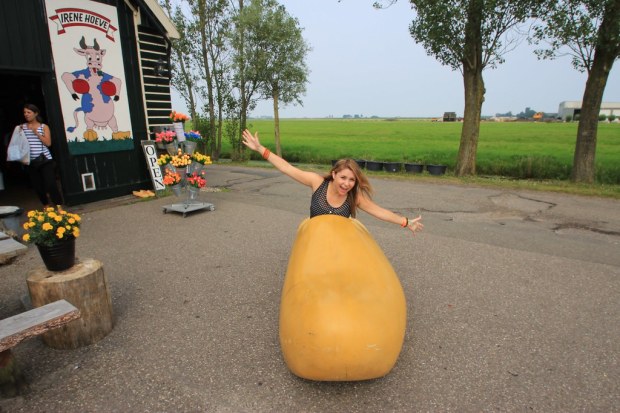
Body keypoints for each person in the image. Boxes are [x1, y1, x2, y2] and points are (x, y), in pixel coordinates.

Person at [241, 129, 423, 233]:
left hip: (339, 243)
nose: (347, 184)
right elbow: (287, 168)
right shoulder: (317, 182)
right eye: (343, 177)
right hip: (315, 240)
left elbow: (378, 211)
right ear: (334, 174)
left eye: (352, 180)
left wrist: (406, 222)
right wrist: (260, 149)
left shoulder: (354, 196)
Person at [20, 103, 63, 206]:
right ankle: (46, 206)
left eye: (29, 112)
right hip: (30, 160)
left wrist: (37, 133)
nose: (26, 114)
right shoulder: (22, 128)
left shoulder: (43, 127)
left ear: (35, 113)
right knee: (37, 186)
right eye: (25, 112)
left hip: (44, 159)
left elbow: (48, 143)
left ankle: (58, 206)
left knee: (51, 184)